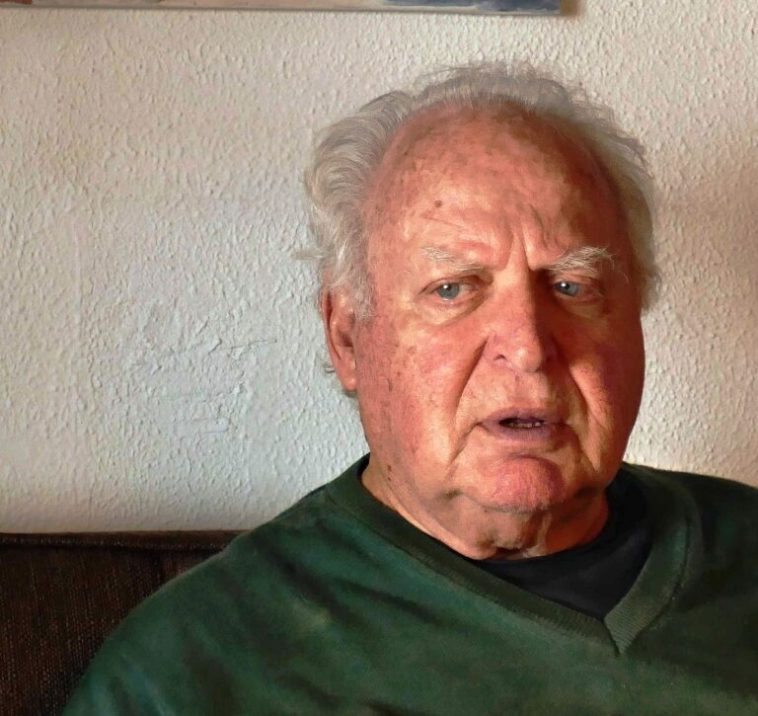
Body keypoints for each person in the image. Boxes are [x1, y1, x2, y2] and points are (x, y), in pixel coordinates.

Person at [65, 63, 758, 715]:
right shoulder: (191, 669)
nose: (526, 345)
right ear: (347, 338)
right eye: (453, 289)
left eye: (573, 286)